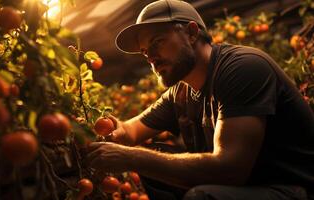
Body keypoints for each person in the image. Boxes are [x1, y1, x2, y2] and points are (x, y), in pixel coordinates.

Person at [85, 0, 314, 199]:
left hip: (294, 188)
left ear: (192, 33)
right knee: (155, 159)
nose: (151, 57)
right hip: (250, 187)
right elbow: (131, 131)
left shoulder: (242, 68)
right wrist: (110, 131)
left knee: (201, 196)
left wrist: (131, 157)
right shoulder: (181, 91)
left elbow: (230, 170)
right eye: (145, 51)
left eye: (157, 42)